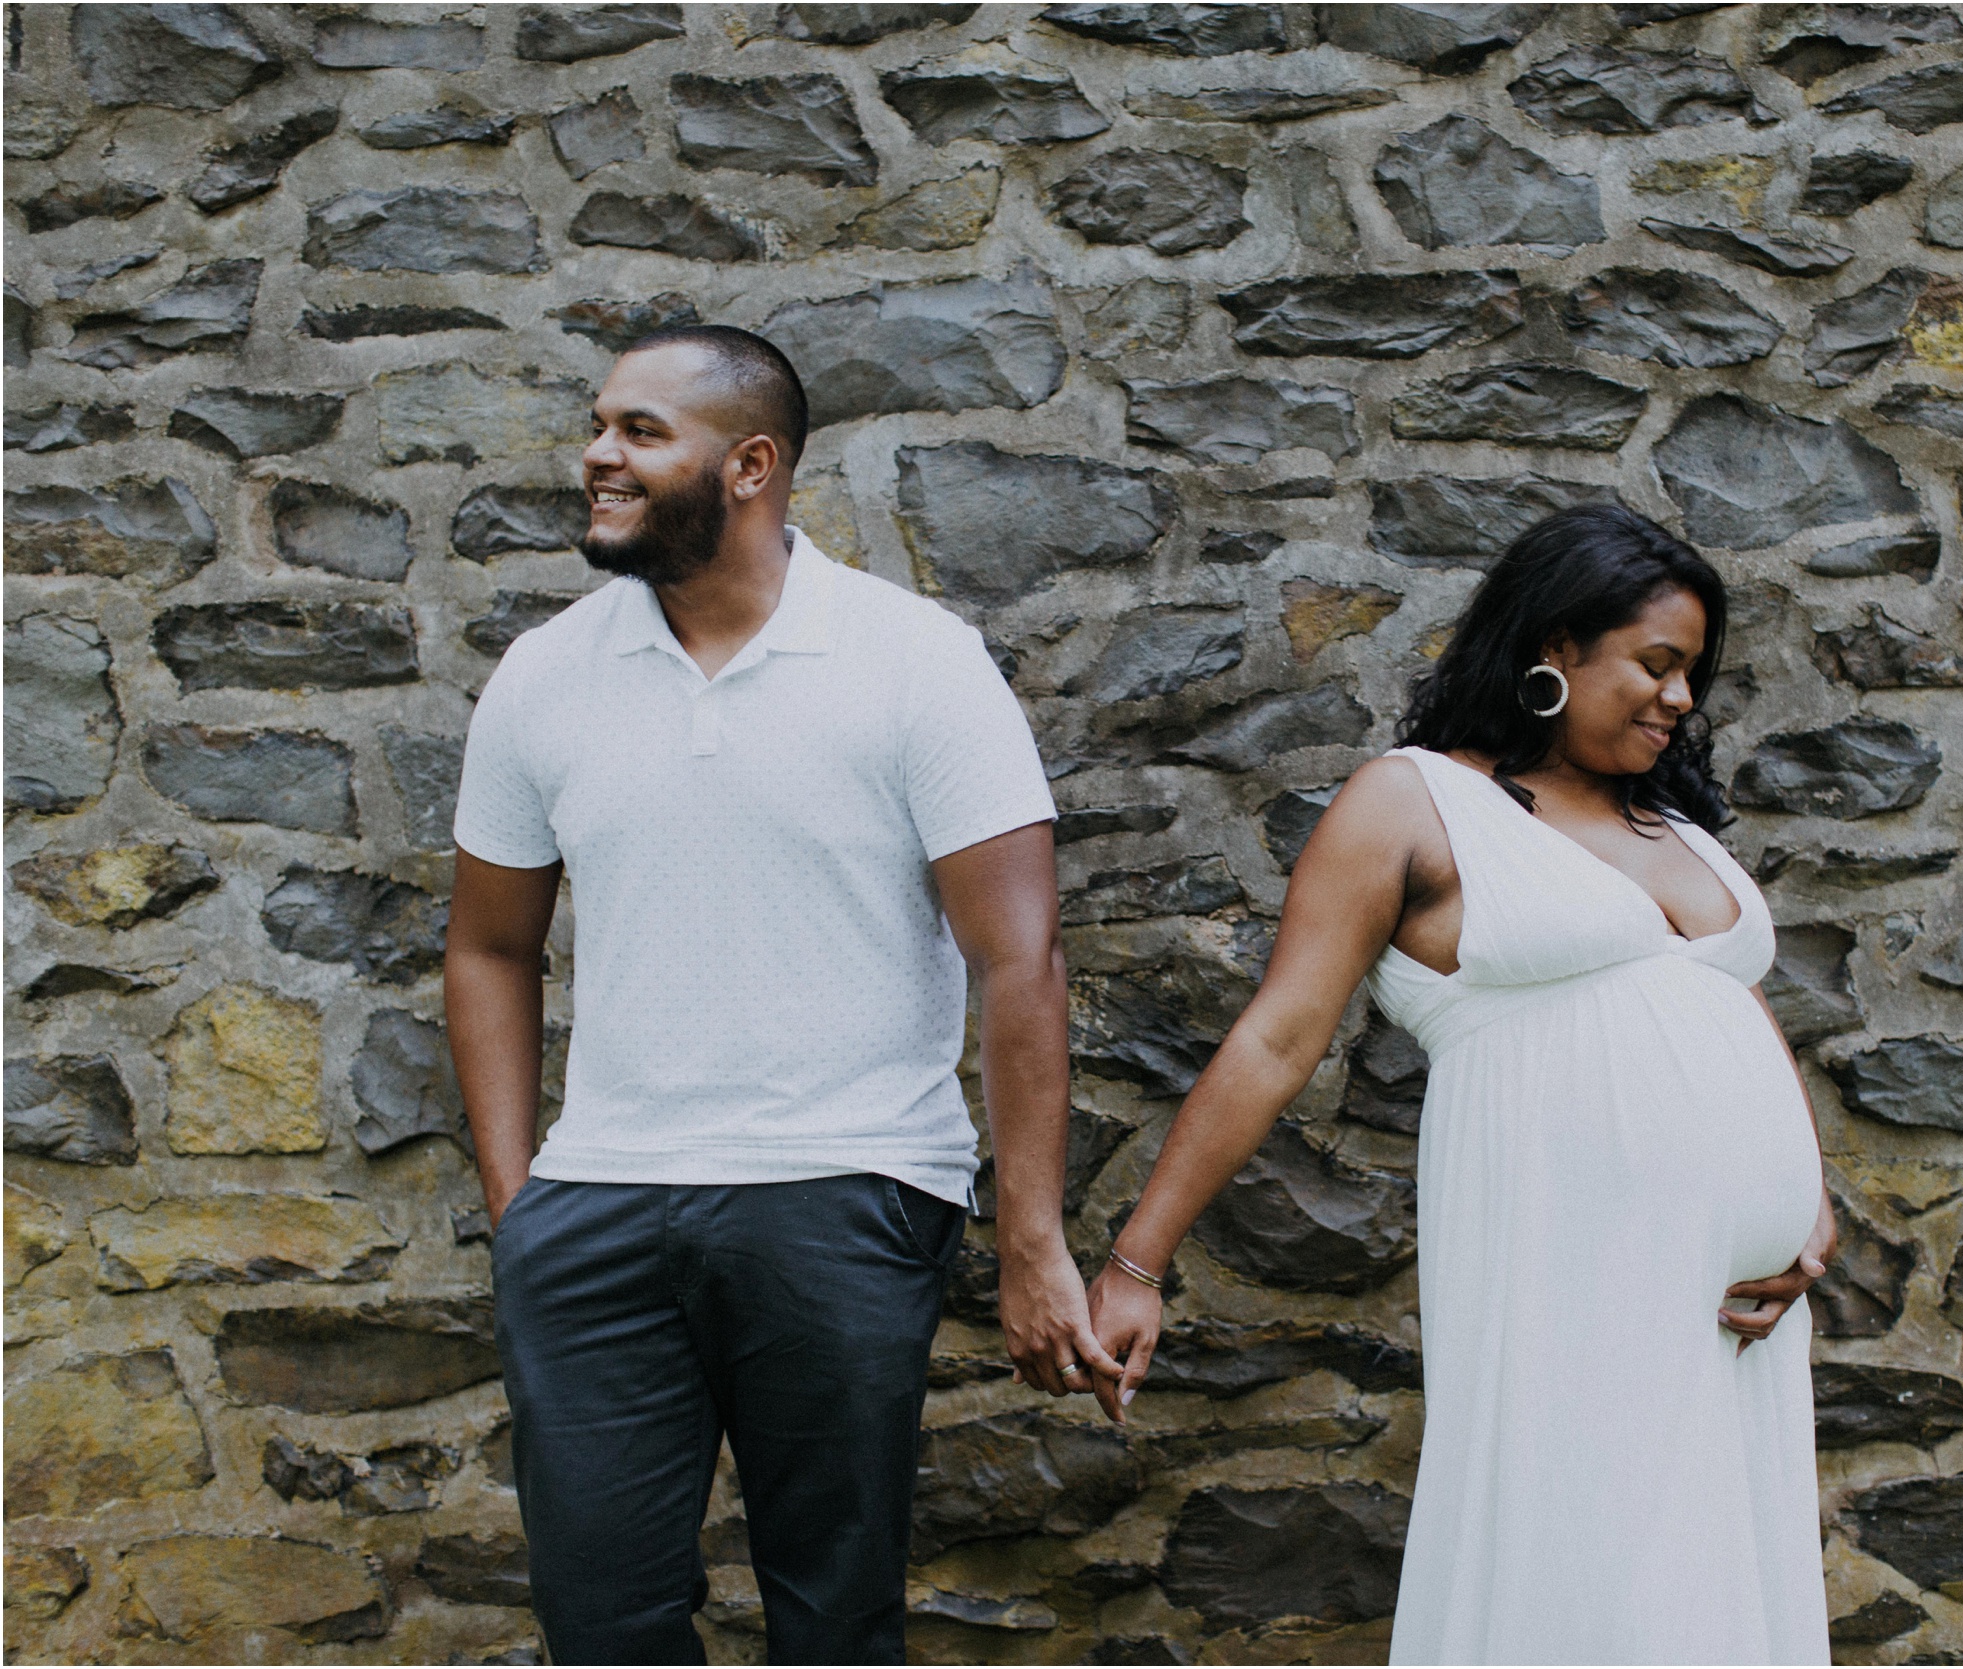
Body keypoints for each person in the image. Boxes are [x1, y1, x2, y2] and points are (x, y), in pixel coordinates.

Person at [445, 325, 1124, 1665]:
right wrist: (520, 1201)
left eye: (643, 432)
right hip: (599, 1208)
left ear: (752, 464)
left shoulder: (915, 660)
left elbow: (1020, 961)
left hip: (845, 1187)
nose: (599, 454)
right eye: (601, 424)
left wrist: (1033, 1240)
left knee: (833, 1615)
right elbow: (488, 947)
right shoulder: (545, 676)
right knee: (600, 1622)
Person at [1085, 505, 1839, 1665]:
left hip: (1735, 1304)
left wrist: (1808, 1199)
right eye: (1656, 664)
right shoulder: (1413, 801)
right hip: (1570, 1258)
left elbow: (1724, 995)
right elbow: (1278, 1039)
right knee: (1595, 1561)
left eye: (1693, 674)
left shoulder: (1668, 817)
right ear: (1554, 650)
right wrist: (1138, 1260)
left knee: (1713, 1574)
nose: (1681, 699)